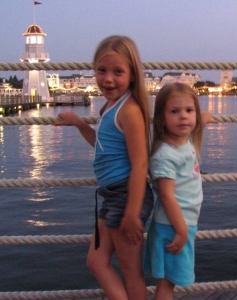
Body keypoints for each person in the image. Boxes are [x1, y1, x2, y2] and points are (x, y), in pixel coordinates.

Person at [54, 35, 154, 300]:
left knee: (130, 270)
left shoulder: (129, 111)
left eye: (118, 72)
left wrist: (132, 213)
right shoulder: (109, 107)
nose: (108, 79)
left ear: (132, 75)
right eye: (102, 70)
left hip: (126, 196)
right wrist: (78, 123)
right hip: (111, 195)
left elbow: (140, 163)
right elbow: (101, 145)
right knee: (96, 262)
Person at [144, 82, 217, 300]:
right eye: (174, 112)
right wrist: (182, 230)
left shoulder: (186, 143)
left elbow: (196, 126)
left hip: (181, 223)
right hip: (173, 226)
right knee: (167, 284)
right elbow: (166, 196)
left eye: (189, 111)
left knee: (170, 282)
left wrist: (203, 118)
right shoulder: (166, 155)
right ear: (161, 118)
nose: (183, 117)